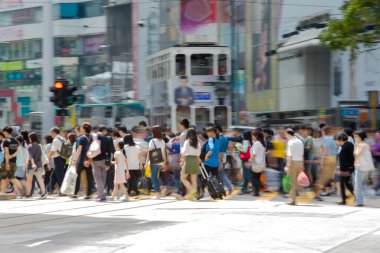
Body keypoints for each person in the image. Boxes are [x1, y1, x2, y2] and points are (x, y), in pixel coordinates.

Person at [0, 126, 24, 196]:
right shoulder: (15, 141)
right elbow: (17, 151)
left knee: (3, 177)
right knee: (11, 177)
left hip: (7, 162)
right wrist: (12, 156)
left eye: (3, 131)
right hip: (14, 162)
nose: (3, 133)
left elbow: (6, 153)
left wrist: (7, 163)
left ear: (6, 132)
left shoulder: (6, 141)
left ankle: (2, 192)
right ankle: (20, 188)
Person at [353, 130, 375, 207]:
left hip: (360, 167)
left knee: (358, 185)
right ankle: (362, 198)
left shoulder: (361, 145)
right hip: (360, 166)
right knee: (359, 184)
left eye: (355, 136)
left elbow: (356, 154)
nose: (354, 137)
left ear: (359, 137)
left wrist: (356, 146)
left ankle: (360, 201)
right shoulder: (364, 144)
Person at [71, 123, 92, 199]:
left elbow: (79, 150)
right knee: (89, 177)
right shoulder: (90, 137)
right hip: (88, 159)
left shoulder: (81, 138)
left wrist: (74, 160)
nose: (81, 128)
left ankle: (75, 193)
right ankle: (89, 194)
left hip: (81, 160)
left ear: (84, 129)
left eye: (82, 128)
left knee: (77, 176)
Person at [146, 125, 168, 198]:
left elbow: (149, 152)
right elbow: (164, 152)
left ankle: (158, 193)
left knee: (154, 177)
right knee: (156, 177)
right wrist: (164, 163)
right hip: (161, 161)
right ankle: (161, 189)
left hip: (154, 161)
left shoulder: (152, 141)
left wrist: (146, 163)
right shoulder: (163, 141)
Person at [92, 126, 113, 201]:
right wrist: (109, 162)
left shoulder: (94, 138)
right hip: (104, 160)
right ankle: (100, 194)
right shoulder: (107, 139)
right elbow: (110, 151)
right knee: (103, 178)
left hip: (95, 159)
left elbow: (90, 148)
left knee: (97, 178)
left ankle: (101, 195)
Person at [284, 128, 304, 205]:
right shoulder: (300, 142)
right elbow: (302, 155)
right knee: (297, 182)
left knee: (293, 182)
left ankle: (293, 200)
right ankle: (294, 196)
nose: (285, 136)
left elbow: (290, 156)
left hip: (293, 163)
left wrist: (287, 166)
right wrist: (302, 165)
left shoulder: (290, 142)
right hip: (299, 162)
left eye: (286, 134)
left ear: (289, 134)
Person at [180, 128, 201, 200]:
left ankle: (192, 190)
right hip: (195, 160)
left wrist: (182, 160)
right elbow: (198, 153)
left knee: (183, 177)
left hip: (188, 159)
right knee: (193, 179)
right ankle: (193, 196)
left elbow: (184, 152)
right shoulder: (198, 143)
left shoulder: (187, 142)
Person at [335, 132, 355, 205]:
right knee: (347, 183)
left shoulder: (344, 146)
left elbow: (343, 159)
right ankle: (355, 196)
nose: (337, 141)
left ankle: (344, 200)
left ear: (341, 139)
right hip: (350, 167)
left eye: (337, 140)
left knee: (342, 184)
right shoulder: (350, 144)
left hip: (345, 168)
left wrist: (340, 169)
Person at [26, 132, 47, 199]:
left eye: (29, 137)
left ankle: (28, 193)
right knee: (40, 180)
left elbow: (30, 156)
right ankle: (43, 193)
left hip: (31, 165)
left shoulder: (30, 146)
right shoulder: (39, 145)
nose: (29, 139)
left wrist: (32, 163)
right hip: (39, 164)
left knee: (29, 180)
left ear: (31, 138)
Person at [320, 126, 338, 196]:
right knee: (331, 176)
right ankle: (333, 189)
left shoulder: (324, 138)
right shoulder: (334, 138)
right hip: (334, 158)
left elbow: (325, 150)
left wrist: (322, 160)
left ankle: (326, 190)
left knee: (326, 176)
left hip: (327, 158)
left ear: (324, 131)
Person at [216, 125, 233, 194]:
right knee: (221, 173)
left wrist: (219, 162)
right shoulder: (225, 138)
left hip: (220, 157)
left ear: (218, 130)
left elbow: (220, 151)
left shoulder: (219, 138)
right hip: (223, 156)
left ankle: (227, 187)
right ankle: (228, 187)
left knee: (220, 173)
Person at [250, 130, 266, 197]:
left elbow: (254, 154)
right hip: (261, 163)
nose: (251, 137)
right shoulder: (262, 143)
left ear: (256, 136)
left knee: (253, 178)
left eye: (252, 135)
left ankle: (262, 185)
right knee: (257, 177)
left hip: (256, 164)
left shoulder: (257, 144)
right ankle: (256, 192)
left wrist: (249, 161)